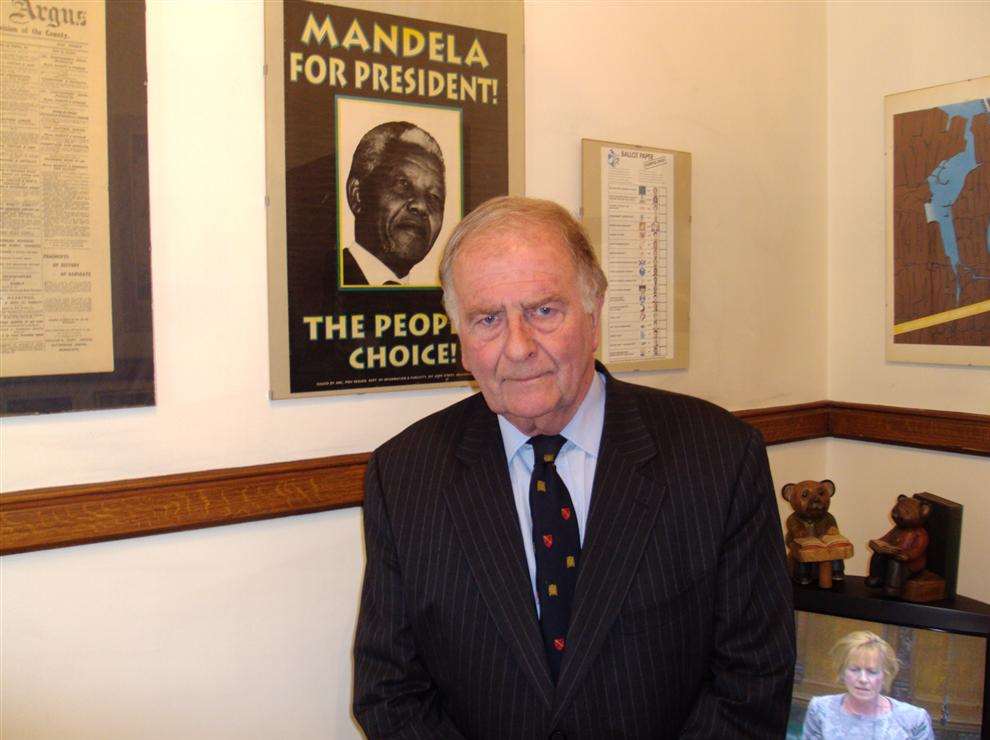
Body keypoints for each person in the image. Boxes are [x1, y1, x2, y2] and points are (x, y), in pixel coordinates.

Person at [353, 196, 795, 738]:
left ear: (594, 311)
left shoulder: (719, 459)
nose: (517, 348)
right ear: (461, 341)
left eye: (543, 311)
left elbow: (752, 683)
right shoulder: (404, 477)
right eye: (487, 319)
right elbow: (391, 694)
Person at [342, 121, 445, 286]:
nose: (421, 205)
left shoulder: (438, 305)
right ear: (357, 195)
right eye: (403, 185)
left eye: (434, 196)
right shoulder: (314, 285)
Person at [801, 631, 934, 739]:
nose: (863, 679)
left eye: (872, 672)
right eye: (854, 669)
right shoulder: (820, 709)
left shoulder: (914, 720)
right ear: (842, 672)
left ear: (885, 676)